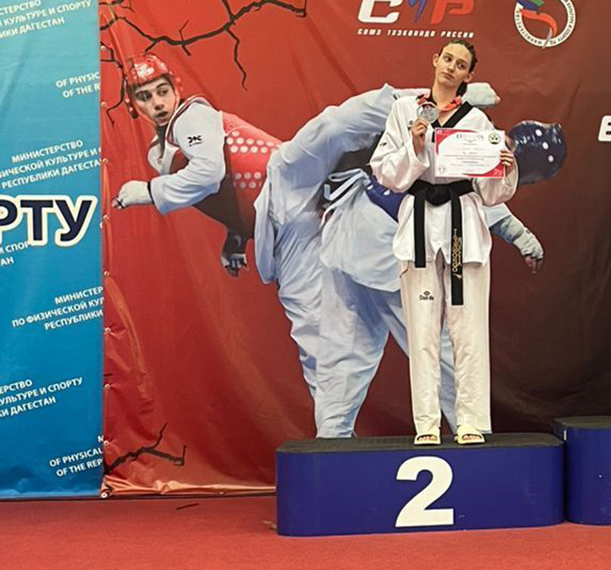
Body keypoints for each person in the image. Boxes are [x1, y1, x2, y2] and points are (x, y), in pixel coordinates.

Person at [113, 54, 399, 396]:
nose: (158, 104)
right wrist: (236, 235)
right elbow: (220, 189)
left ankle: (427, 102)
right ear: (132, 106)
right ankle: (333, 424)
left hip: (285, 178)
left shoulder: (190, 116)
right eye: (145, 97)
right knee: (312, 331)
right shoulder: (158, 152)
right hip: (278, 227)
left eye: (162, 91)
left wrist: (148, 191)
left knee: (333, 125)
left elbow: (208, 173)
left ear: (176, 88)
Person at [315, 115, 565, 438]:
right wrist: (521, 236)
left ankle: (331, 443)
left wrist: (520, 235)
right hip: (389, 247)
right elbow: (463, 193)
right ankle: (472, 432)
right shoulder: (478, 140)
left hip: (348, 239)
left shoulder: (464, 128)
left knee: (346, 355)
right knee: (446, 348)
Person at [370, 39, 517, 446]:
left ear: (469, 76)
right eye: (447, 59)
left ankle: (470, 421)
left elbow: (491, 193)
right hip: (418, 224)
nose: (452, 67)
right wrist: (415, 146)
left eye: (461, 64)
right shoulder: (405, 110)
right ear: (435, 61)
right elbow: (385, 172)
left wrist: (505, 168)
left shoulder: (478, 121)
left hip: (461, 226)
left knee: (468, 331)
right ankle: (427, 423)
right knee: (421, 332)